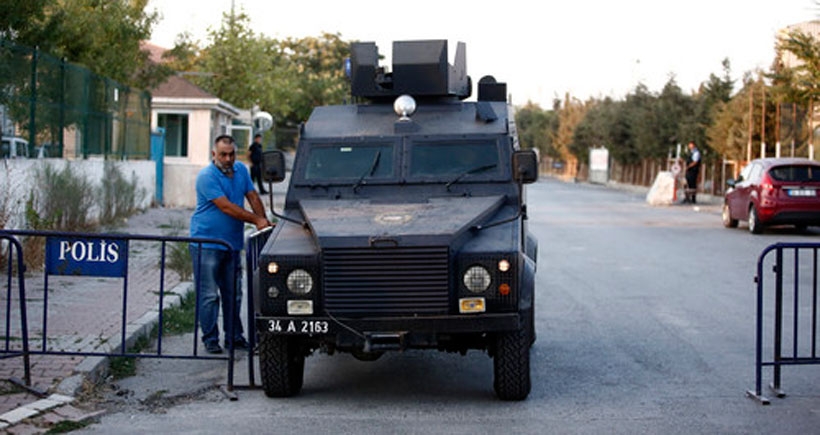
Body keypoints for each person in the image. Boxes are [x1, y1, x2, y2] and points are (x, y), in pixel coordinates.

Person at [190, 134, 272, 354]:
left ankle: (234, 337)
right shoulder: (207, 176)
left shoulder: (241, 170)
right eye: (223, 154)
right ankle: (210, 339)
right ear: (214, 154)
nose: (228, 159)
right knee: (209, 295)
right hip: (206, 243)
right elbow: (226, 207)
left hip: (232, 244)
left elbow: (253, 196)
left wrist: (264, 223)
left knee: (233, 293)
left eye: (231, 154)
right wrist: (256, 220)